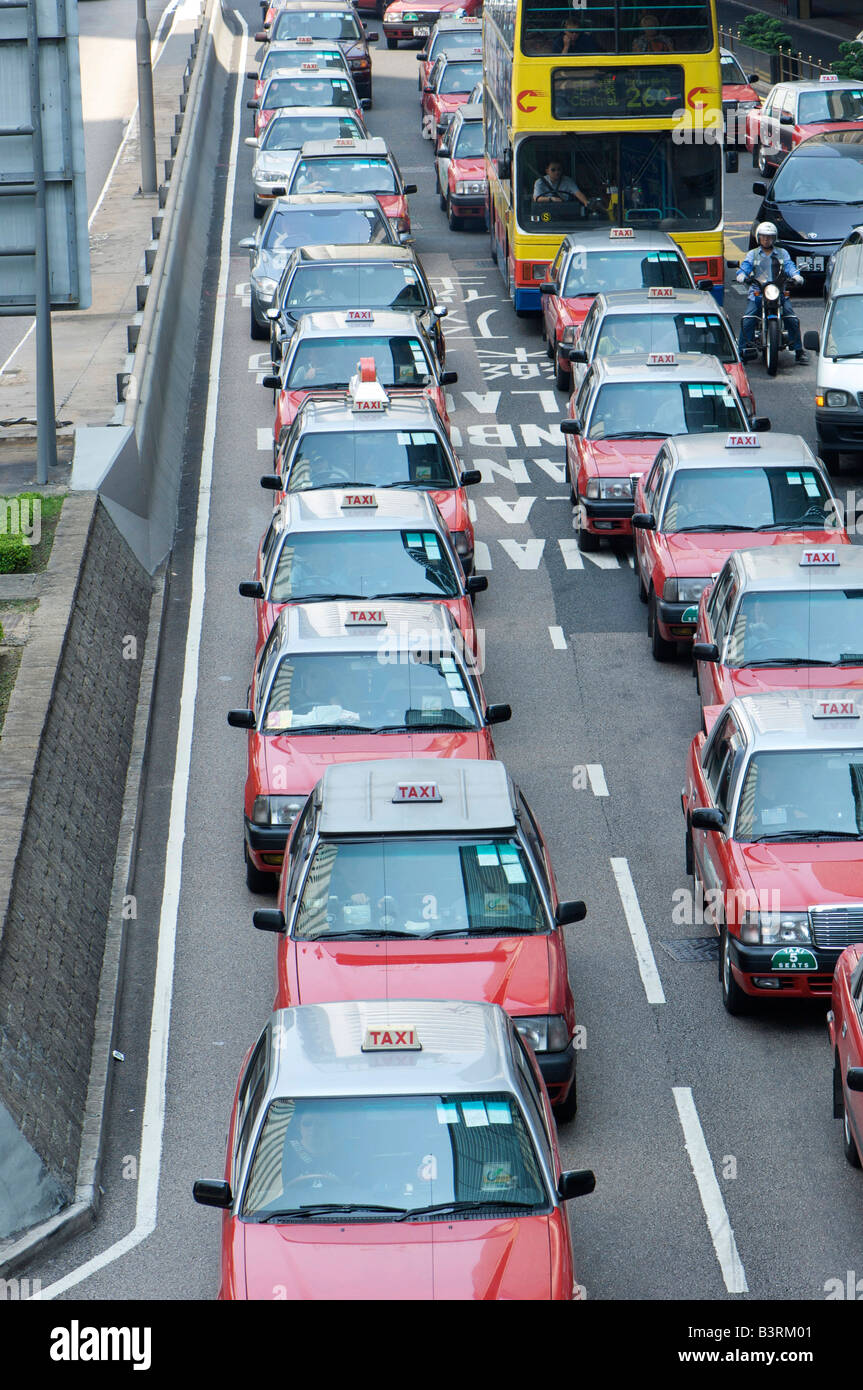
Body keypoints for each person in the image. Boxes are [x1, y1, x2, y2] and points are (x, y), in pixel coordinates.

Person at [736, 222, 807, 363]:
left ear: (774, 238)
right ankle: (742, 351)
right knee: (748, 320)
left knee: (792, 319)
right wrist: (742, 275)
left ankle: (799, 351)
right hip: (758, 292)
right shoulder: (753, 254)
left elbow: (789, 266)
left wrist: (796, 276)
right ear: (758, 237)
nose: (766, 240)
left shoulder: (782, 253)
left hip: (778, 291)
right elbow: (745, 267)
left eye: (769, 237)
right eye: (763, 237)